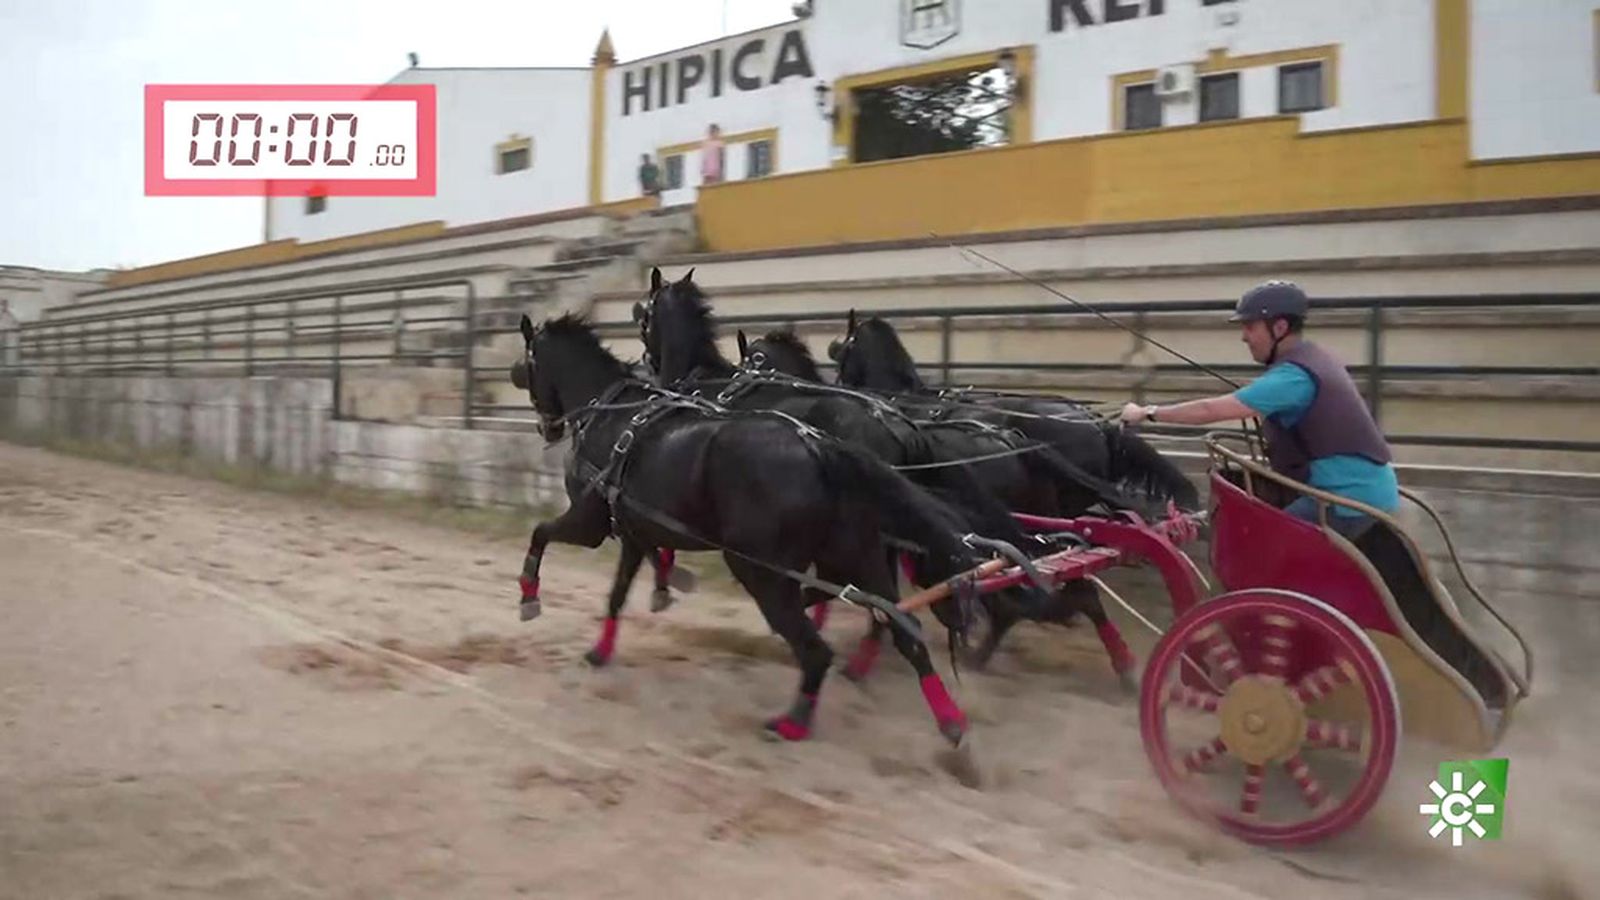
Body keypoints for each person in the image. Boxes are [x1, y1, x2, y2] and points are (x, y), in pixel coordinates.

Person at [1119, 280, 1398, 537]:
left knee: (1260, 545)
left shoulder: (1293, 377)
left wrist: (1147, 412)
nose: (1244, 337)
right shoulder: (1312, 358)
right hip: (1363, 492)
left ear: (1279, 328)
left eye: (1250, 327)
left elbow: (1209, 410)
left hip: (1345, 500)